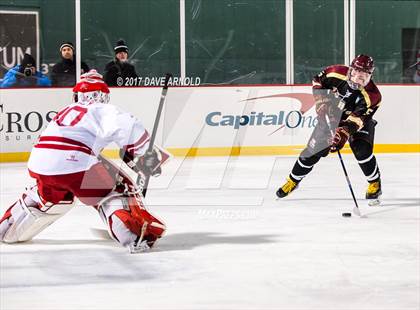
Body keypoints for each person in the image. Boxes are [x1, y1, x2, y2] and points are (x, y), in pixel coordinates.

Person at [0, 69, 168, 253]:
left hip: (41, 164)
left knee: (49, 197)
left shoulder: (66, 110)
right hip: (75, 164)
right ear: (102, 95)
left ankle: (6, 229)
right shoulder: (102, 109)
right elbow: (129, 127)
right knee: (116, 188)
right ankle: (133, 235)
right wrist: (147, 156)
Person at [276, 54, 383, 204]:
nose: (358, 80)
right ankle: (293, 181)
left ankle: (374, 183)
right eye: (356, 74)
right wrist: (321, 100)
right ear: (350, 70)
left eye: (363, 77)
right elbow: (317, 80)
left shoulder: (373, 96)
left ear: (370, 76)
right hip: (330, 117)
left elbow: (356, 120)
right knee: (311, 153)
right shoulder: (335, 72)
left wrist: (343, 133)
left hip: (356, 123)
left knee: (362, 150)